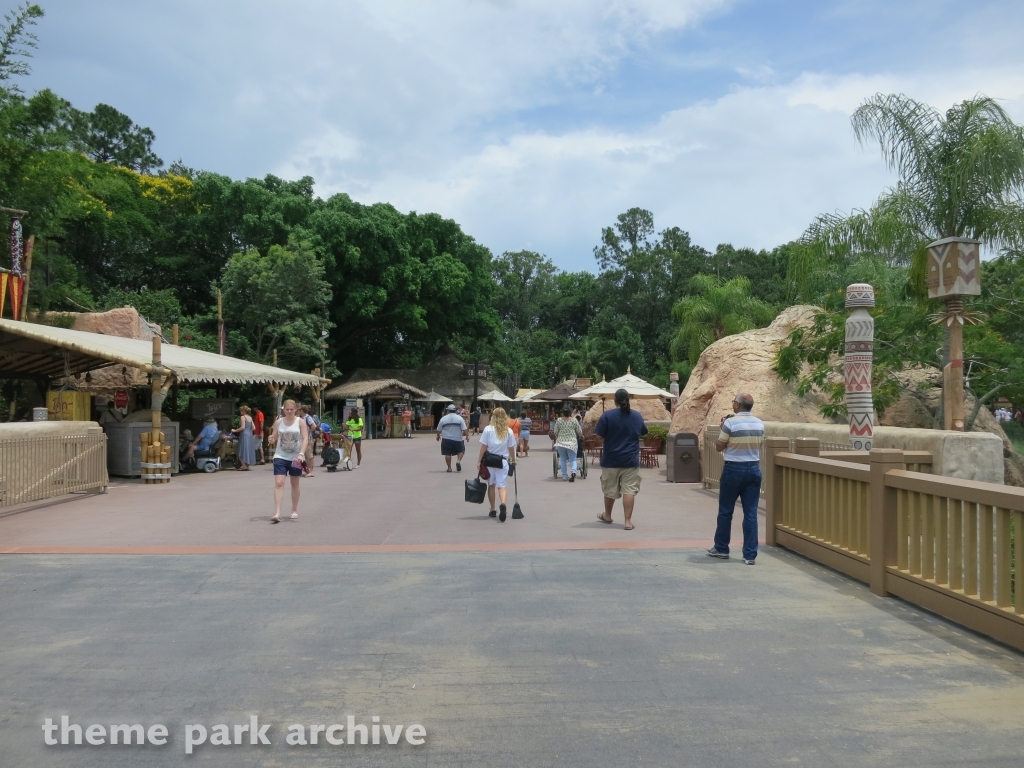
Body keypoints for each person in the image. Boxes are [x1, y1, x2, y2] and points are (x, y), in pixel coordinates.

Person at [706, 393, 764, 564]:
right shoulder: (760, 424)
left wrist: (722, 427)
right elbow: (758, 444)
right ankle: (750, 555)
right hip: (753, 468)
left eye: (734, 402)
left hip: (733, 468)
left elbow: (719, 446)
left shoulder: (730, 423)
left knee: (726, 511)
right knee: (751, 513)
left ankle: (722, 548)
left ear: (738, 405)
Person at [595, 389, 647, 531]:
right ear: (628, 399)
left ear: (615, 400)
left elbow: (599, 436)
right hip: (630, 460)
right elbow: (643, 432)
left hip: (611, 459)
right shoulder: (637, 416)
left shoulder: (607, 416)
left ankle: (607, 515)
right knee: (629, 490)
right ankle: (628, 522)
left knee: (609, 489)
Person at [268, 399, 309, 522]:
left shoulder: (300, 422)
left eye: (292, 409)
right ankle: (277, 512)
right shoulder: (278, 422)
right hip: (280, 456)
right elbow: (274, 437)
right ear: (283, 410)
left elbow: (305, 438)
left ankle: (294, 510)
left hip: (296, 458)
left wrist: (301, 454)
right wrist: (271, 439)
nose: (290, 411)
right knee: (279, 483)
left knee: (294, 484)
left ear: (296, 409)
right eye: (287, 409)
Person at [478, 407, 518, 522]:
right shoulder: (508, 431)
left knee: (491, 485)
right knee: (502, 485)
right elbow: (511, 448)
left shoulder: (488, 429)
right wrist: (514, 460)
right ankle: (503, 504)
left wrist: (479, 460)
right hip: (503, 461)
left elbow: (484, 446)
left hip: (490, 461)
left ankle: (493, 509)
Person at [553, 405, 583, 481]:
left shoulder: (559, 420)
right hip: (572, 443)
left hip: (561, 442)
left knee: (563, 459)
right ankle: (573, 471)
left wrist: (557, 435)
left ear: (563, 413)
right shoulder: (574, 420)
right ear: (570, 413)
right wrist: (581, 435)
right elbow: (579, 431)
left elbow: (555, 431)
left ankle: (564, 475)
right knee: (573, 459)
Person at [436, 403, 468, 472]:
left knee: (447, 453)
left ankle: (449, 468)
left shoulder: (443, 419)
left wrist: (438, 436)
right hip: (458, 438)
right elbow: (464, 429)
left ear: (448, 411)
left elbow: (439, 429)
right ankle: (458, 461)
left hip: (446, 439)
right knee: (461, 450)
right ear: (455, 410)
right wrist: (467, 436)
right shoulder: (460, 418)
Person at [231, 405, 256, 470]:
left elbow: (243, 427)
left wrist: (235, 430)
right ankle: (247, 466)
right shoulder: (250, 417)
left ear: (243, 411)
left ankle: (244, 466)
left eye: (241, 410)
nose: (240, 412)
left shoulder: (242, 417)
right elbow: (254, 428)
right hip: (249, 434)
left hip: (244, 434)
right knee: (247, 449)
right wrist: (248, 431)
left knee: (241, 450)